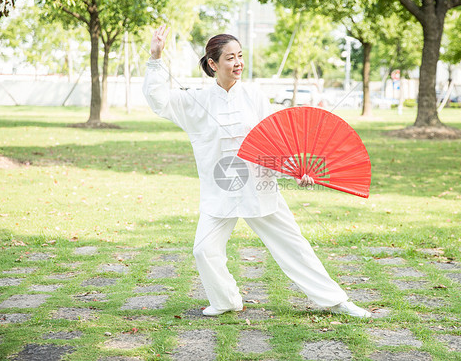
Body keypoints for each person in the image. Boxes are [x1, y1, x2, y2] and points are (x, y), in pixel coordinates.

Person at [142, 24, 371, 318]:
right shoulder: (195, 101)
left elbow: (276, 140)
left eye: (240, 56)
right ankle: (226, 300)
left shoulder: (255, 97)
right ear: (213, 64)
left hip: (259, 186)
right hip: (220, 190)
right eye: (230, 58)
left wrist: (295, 172)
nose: (237, 64)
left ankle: (336, 301)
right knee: (203, 250)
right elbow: (158, 101)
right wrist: (156, 58)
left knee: (293, 246)